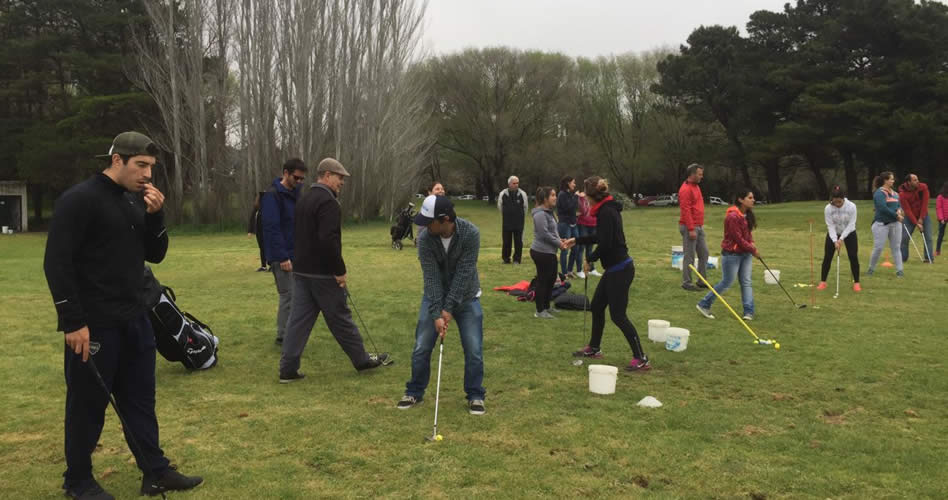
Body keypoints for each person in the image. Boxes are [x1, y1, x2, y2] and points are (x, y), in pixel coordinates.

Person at [43, 131, 202, 500]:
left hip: (136, 319)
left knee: (140, 400)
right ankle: (78, 481)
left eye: (151, 167)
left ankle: (156, 472)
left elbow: (155, 254)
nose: (148, 174)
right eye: (141, 166)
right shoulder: (79, 200)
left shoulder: (135, 201)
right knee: (87, 406)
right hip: (94, 324)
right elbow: (57, 263)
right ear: (118, 160)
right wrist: (73, 322)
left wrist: (156, 214)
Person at [279, 158, 391, 382]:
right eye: (340, 178)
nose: (342, 183)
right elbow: (328, 240)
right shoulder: (328, 202)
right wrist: (339, 270)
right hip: (323, 274)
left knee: (297, 322)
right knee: (340, 318)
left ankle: (287, 369)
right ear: (327, 175)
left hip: (301, 272)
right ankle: (361, 360)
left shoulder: (304, 198)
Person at [396, 195, 487, 415]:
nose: (425, 226)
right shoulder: (426, 238)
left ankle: (475, 395)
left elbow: (464, 275)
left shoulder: (470, 234)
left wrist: (448, 309)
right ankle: (414, 391)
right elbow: (431, 278)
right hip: (434, 297)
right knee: (421, 347)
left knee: (474, 350)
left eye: (429, 221)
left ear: (445, 219)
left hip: (466, 297)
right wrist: (437, 312)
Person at [571, 177, 650, 371]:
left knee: (618, 315)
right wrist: (577, 240)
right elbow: (602, 237)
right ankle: (594, 348)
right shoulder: (607, 209)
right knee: (597, 306)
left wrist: (590, 259)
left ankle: (641, 357)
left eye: (587, 199)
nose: (586, 203)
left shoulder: (606, 212)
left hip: (620, 269)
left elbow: (605, 244)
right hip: (614, 269)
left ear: (592, 197)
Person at [262, 158, 307, 344]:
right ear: (286, 173)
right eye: (296, 178)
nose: (299, 182)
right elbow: (272, 228)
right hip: (282, 257)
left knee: (297, 296)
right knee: (288, 296)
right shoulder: (272, 196)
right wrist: (282, 257)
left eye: (302, 179)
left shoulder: (297, 195)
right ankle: (284, 336)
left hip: (296, 253)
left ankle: (290, 332)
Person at [696, 189, 759, 321]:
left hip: (745, 254)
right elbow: (738, 239)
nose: (753, 200)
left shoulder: (746, 215)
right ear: (741, 200)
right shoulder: (732, 217)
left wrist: (752, 244)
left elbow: (747, 236)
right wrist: (753, 250)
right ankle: (704, 304)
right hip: (732, 255)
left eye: (753, 198)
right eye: (750, 198)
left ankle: (749, 311)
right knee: (727, 281)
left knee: (746, 282)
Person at [530, 187, 575, 319]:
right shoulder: (540, 214)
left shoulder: (549, 212)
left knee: (551, 281)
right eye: (553, 195)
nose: (555, 198)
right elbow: (544, 234)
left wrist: (560, 240)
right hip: (541, 252)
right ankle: (539, 311)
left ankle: (547, 307)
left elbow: (552, 233)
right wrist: (559, 244)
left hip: (549, 252)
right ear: (545, 199)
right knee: (543, 281)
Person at [817, 186, 861, 292]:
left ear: (843, 198)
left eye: (839, 202)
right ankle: (823, 282)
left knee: (853, 256)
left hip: (849, 232)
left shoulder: (851, 206)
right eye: (835, 202)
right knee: (827, 256)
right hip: (834, 233)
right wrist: (834, 240)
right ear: (832, 199)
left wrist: (841, 239)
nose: (837, 204)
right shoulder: (828, 208)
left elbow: (851, 224)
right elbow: (830, 225)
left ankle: (856, 282)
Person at [678, 163, 710, 291]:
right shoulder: (685, 189)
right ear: (692, 174)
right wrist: (691, 229)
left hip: (699, 226)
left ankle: (701, 280)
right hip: (689, 227)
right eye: (699, 174)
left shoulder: (696, 187)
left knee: (704, 253)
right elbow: (686, 210)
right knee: (689, 255)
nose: (702, 176)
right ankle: (687, 282)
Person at [867, 172, 905, 276]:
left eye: (893, 179)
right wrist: (896, 216)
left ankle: (899, 270)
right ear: (885, 180)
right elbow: (882, 208)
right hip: (881, 224)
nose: (893, 181)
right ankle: (871, 269)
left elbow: (898, 205)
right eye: (891, 179)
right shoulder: (879, 193)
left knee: (896, 247)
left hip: (895, 224)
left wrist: (899, 211)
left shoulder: (895, 194)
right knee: (878, 248)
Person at [899, 173, 934, 263]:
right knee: (904, 237)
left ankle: (928, 258)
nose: (917, 181)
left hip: (923, 214)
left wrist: (921, 218)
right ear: (908, 182)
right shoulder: (902, 194)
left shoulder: (923, 187)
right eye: (915, 180)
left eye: (917, 179)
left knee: (928, 237)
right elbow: (907, 210)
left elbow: (925, 204)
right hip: (910, 217)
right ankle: (903, 258)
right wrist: (916, 223)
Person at [497, 176, 528, 264]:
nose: (516, 185)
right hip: (507, 223)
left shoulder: (523, 194)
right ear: (509, 184)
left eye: (517, 183)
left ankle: (517, 260)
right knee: (506, 241)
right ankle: (506, 259)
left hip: (519, 223)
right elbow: (500, 207)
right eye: (514, 183)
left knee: (518, 242)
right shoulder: (503, 193)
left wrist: (519, 216)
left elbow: (525, 207)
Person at [556, 176, 581, 278]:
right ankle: (564, 273)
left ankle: (570, 270)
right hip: (564, 224)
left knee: (576, 247)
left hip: (573, 224)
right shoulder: (562, 194)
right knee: (565, 249)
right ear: (567, 183)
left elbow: (572, 208)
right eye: (573, 183)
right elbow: (568, 207)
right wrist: (575, 197)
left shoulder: (570, 194)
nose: (574, 185)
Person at [576, 185, 601, 277]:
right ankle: (579, 270)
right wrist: (582, 198)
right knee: (581, 248)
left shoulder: (596, 198)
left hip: (593, 224)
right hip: (583, 224)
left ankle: (591, 268)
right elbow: (583, 210)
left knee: (590, 248)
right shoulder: (581, 197)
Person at [247, 191, 267, 271]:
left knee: (268, 248)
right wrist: (250, 231)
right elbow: (252, 219)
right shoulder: (257, 208)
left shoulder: (268, 207)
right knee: (262, 248)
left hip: (267, 231)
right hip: (259, 231)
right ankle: (263, 266)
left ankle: (272, 265)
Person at [937, 182, 948, 256]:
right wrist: (941, 219)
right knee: (941, 234)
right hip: (943, 218)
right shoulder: (940, 197)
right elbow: (939, 208)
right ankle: (937, 251)